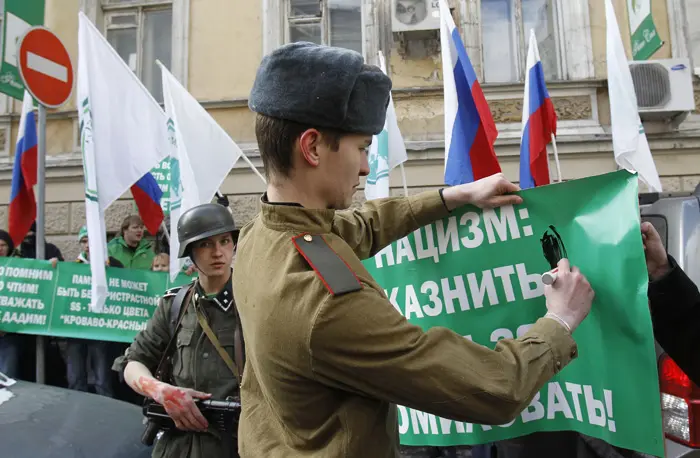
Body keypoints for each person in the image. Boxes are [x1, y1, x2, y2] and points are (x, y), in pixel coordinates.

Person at [233, 41, 595, 457]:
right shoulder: (326, 303)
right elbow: (494, 388)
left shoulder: (258, 236)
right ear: (313, 147)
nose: (367, 166)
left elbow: (358, 226)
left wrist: (452, 197)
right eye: (362, 147)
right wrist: (560, 320)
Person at [113, 203, 244, 458]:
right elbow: (133, 363)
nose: (218, 252)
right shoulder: (175, 304)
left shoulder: (253, 301)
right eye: (206, 244)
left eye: (225, 241)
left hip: (235, 445)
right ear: (191, 252)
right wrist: (161, 391)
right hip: (178, 447)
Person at [65, 226, 124, 397]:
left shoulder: (114, 265)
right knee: (75, 377)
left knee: (102, 379)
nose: (87, 245)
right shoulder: (72, 267)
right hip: (75, 330)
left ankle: (106, 413)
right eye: (84, 241)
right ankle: (75, 411)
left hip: (101, 330)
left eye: (91, 240)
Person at [0, 229, 20, 377]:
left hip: (8, 333)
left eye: (3, 245)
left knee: (8, 377)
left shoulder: (19, 267)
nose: (0, 249)